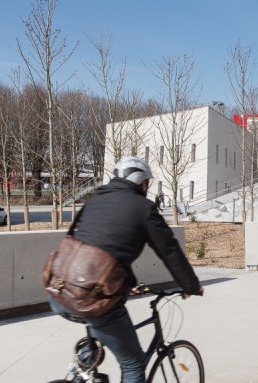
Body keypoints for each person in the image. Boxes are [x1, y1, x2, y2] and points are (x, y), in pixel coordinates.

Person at [48, 156, 203, 383]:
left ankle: (78, 372)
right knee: (133, 364)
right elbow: (169, 250)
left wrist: (126, 282)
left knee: (98, 334)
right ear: (141, 182)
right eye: (147, 183)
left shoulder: (96, 200)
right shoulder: (143, 208)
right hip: (91, 297)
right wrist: (190, 285)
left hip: (60, 289)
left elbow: (96, 248)